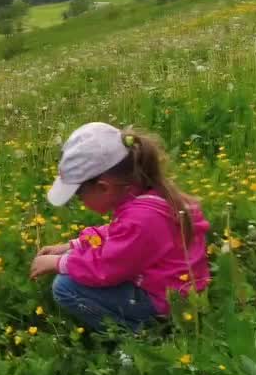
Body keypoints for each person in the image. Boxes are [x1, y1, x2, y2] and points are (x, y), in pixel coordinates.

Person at [30, 122, 211, 333]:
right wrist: (72, 245)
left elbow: (107, 268)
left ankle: (139, 334)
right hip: (176, 290)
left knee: (65, 286)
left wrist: (59, 263)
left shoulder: (141, 219)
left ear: (103, 188)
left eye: (79, 195)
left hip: (167, 301)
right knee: (77, 263)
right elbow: (119, 235)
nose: (80, 202)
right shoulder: (148, 197)